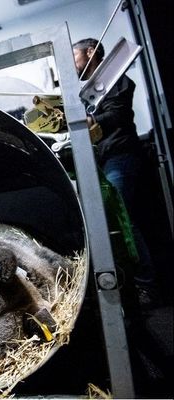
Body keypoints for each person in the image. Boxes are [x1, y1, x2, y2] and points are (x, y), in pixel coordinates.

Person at [72, 38, 159, 309]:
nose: (73, 63)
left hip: (121, 157)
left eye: (74, 55)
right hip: (105, 159)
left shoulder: (116, 81)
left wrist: (91, 120)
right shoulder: (91, 92)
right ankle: (129, 285)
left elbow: (117, 114)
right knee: (110, 219)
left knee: (122, 217)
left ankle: (146, 283)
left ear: (91, 52)